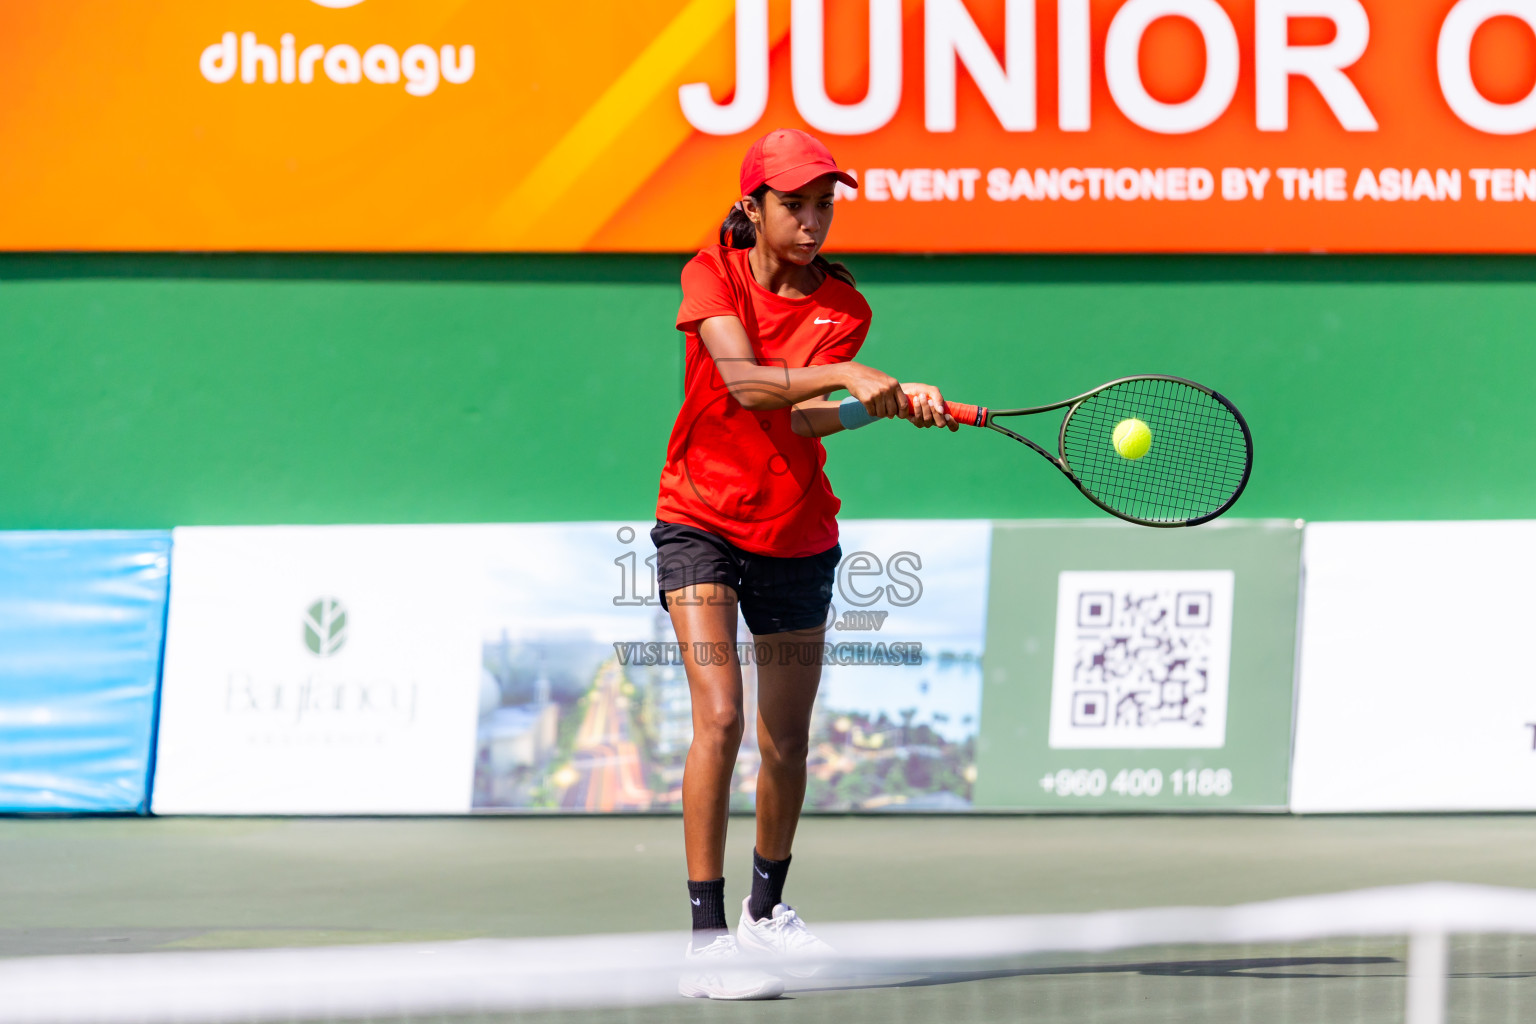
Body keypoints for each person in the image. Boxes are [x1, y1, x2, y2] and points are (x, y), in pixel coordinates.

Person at [654, 127, 957, 1000]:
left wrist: (883, 408)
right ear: (754, 207)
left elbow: (808, 420)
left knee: (788, 743)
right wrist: (856, 372)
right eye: (794, 203)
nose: (813, 219)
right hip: (699, 521)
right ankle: (707, 939)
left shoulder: (845, 307)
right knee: (721, 719)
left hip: (795, 535)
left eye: (825, 203)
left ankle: (764, 916)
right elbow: (747, 383)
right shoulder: (711, 272)